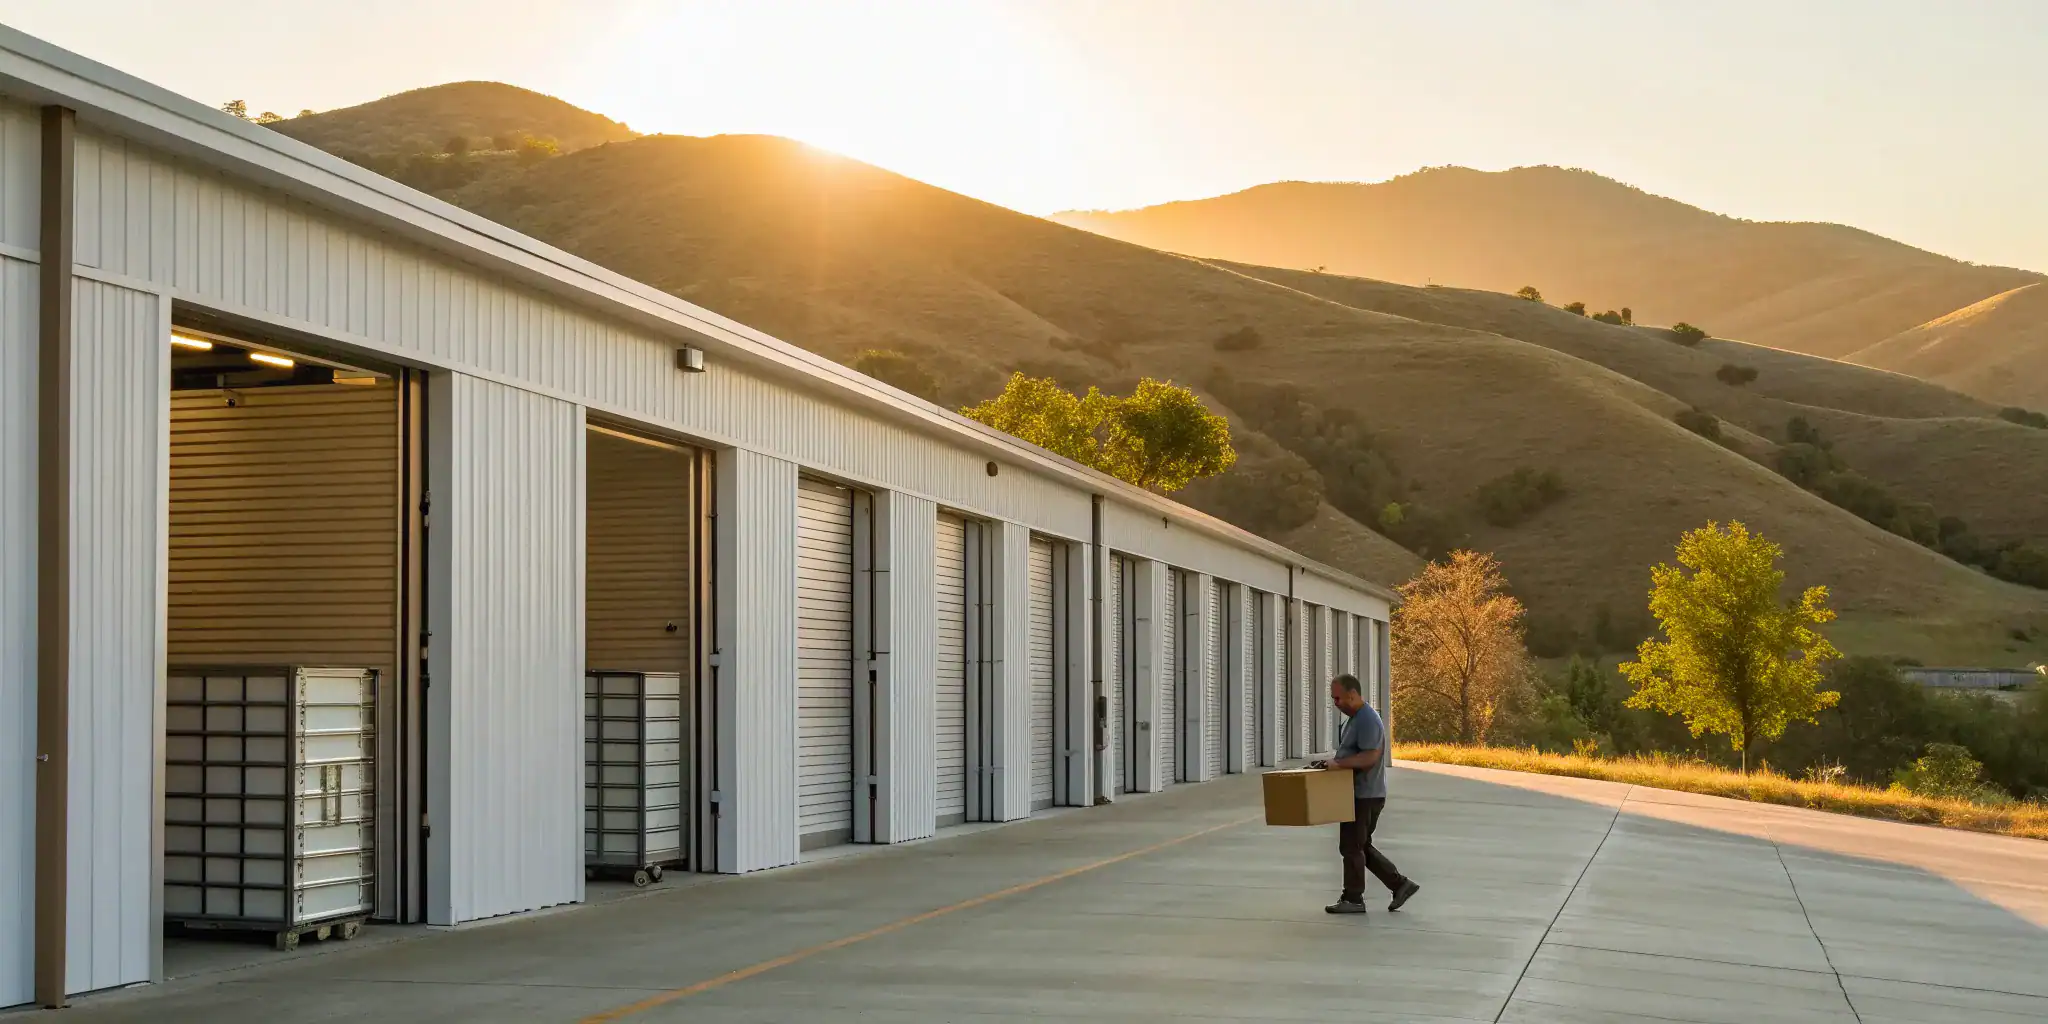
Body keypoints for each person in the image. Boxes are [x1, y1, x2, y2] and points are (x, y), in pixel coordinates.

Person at [1313, 673, 1419, 915]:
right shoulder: (1354, 720)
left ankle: (1353, 898)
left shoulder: (1367, 720)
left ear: (1353, 694)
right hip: (1358, 793)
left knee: (1352, 846)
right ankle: (1400, 884)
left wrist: (1338, 765)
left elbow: (1370, 757)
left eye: (1338, 698)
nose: (1336, 703)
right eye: (1333, 698)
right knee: (1359, 845)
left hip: (1365, 795)